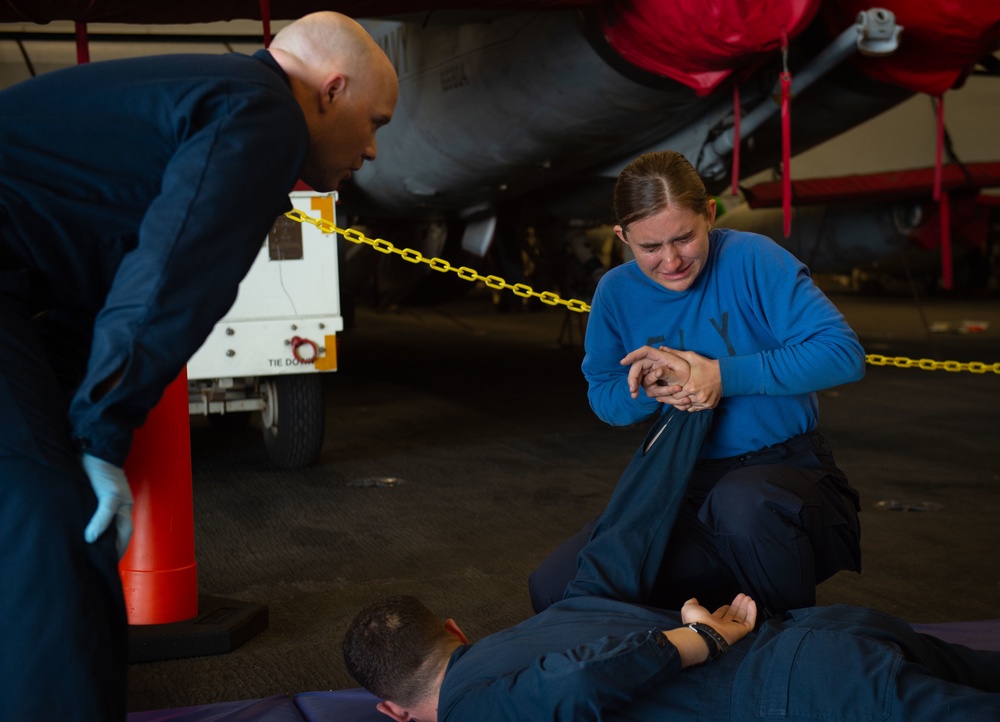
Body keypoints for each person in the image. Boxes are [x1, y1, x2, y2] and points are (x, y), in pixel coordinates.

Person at [0, 12, 397, 722]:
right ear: (330, 91)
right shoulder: (264, 110)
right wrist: (97, 436)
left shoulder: (200, 96)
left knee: (47, 510)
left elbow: (90, 286)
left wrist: (76, 426)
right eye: (376, 121)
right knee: (56, 526)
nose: (370, 149)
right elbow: (176, 275)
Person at [343, 408, 1000, 722]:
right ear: (456, 630)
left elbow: (574, 687)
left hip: (816, 694)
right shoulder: (567, 607)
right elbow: (631, 520)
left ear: (391, 712)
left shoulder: (475, 711)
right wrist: (687, 410)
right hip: (841, 632)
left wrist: (697, 639)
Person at [529, 150, 866, 615]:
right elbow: (604, 397)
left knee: (743, 504)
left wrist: (721, 375)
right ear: (623, 237)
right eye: (649, 248)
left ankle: (789, 655)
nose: (670, 261)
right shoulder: (616, 291)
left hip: (787, 475)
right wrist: (646, 392)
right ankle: (675, 663)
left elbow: (843, 355)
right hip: (682, 484)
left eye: (684, 238)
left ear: (709, 214)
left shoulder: (752, 258)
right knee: (555, 588)